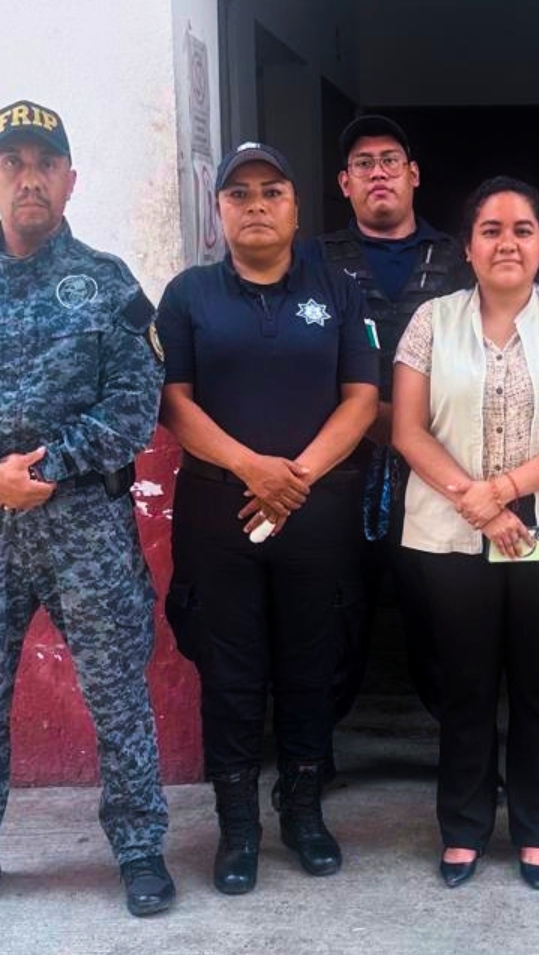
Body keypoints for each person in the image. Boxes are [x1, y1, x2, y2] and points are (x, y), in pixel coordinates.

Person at [0, 100, 174, 923]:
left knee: (118, 692)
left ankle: (140, 848)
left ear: (70, 180)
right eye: (13, 163)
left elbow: (136, 401)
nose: (30, 178)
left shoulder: (110, 283)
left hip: (85, 526)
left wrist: (45, 467)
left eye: (45, 163)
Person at [155, 142, 379, 896]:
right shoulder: (189, 295)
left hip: (316, 511)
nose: (255, 205)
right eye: (239, 194)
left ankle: (304, 812)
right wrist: (254, 469)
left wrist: (296, 477)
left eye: (271, 192)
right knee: (231, 673)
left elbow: (362, 399)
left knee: (313, 665)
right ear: (218, 209)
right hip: (219, 511)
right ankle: (238, 827)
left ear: (296, 205)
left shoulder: (339, 291)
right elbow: (173, 402)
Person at [393, 176, 539, 890]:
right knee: (465, 685)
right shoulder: (431, 321)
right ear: (467, 246)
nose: (507, 242)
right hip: (453, 532)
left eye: (523, 229)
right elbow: (407, 430)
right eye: (490, 229)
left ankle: (537, 828)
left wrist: (505, 489)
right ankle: (463, 827)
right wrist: (481, 504)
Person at [318, 114, 467, 729]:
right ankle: (313, 753)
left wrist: (407, 428)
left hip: (441, 467)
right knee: (333, 613)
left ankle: (466, 754)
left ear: (414, 175)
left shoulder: (460, 258)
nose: (377, 173)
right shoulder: (314, 261)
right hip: (338, 466)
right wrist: (371, 420)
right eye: (363, 164)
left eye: (389, 161)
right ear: (344, 183)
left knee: (443, 615)